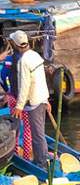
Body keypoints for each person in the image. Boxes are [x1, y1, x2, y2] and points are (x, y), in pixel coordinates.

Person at [8, 31, 47, 164]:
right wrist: (46, 100)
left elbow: (24, 85)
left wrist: (19, 106)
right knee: (39, 134)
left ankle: (40, 163)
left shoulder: (23, 61)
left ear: (15, 44)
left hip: (34, 102)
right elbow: (42, 80)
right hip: (41, 99)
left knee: (37, 135)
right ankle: (42, 159)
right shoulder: (35, 55)